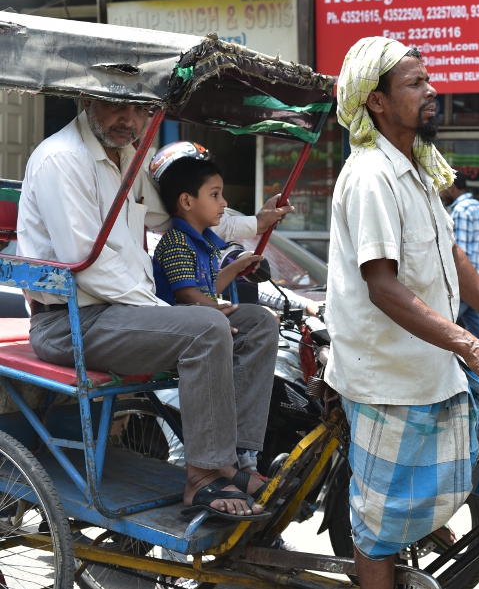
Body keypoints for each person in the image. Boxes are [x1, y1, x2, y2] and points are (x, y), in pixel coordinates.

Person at [325, 37, 479, 588]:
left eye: (428, 80)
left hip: (433, 364)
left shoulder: (418, 169)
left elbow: (452, 256)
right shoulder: (371, 175)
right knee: (378, 528)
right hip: (388, 378)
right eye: (415, 84)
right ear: (376, 101)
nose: (431, 91)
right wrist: (471, 344)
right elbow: (383, 287)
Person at [16, 102, 288, 520]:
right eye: (117, 107)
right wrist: (172, 313)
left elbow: (183, 213)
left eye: (140, 110)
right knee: (206, 327)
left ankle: (236, 461)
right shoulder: (62, 160)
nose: (131, 120)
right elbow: (87, 263)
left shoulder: (128, 159)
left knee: (258, 325)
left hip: (122, 316)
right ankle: (201, 476)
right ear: (89, 101)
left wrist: (254, 223)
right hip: (68, 322)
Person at [152, 156, 263, 307]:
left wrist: (238, 266)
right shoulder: (176, 242)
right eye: (214, 195)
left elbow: (210, 289)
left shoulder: (204, 241)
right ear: (187, 201)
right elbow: (186, 293)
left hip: (206, 315)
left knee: (260, 315)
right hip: (181, 320)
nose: (224, 203)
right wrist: (217, 310)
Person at [440, 169, 479, 339]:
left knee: (444, 325)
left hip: (463, 283)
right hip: (478, 280)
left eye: (442, 188)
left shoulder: (460, 211)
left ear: (452, 187)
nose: (440, 193)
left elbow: (459, 252)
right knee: (478, 330)